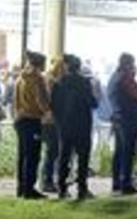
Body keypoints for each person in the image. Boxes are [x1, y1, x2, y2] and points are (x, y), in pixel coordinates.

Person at [51, 54, 98, 200]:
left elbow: (53, 105)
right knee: (83, 158)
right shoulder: (84, 82)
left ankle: (61, 188)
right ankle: (82, 188)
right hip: (82, 125)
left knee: (64, 156)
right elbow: (93, 103)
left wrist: (60, 121)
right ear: (79, 67)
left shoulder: (59, 83)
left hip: (65, 126)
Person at [13, 50, 50, 199]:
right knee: (33, 156)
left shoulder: (20, 78)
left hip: (20, 119)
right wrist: (48, 109)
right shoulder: (37, 79)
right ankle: (29, 189)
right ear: (40, 63)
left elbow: (15, 100)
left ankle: (21, 188)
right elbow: (41, 100)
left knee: (22, 155)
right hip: (33, 119)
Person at [107, 52, 137, 195]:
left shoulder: (114, 77)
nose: (134, 66)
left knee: (119, 152)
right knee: (128, 152)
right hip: (128, 119)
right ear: (128, 64)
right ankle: (126, 183)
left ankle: (117, 182)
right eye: (132, 64)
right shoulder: (125, 78)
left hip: (118, 118)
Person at [40, 56, 66, 193]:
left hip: (45, 119)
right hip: (50, 120)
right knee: (52, 150)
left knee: (51, 151)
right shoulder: (51, 81)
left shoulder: (46, 78)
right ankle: (47, 180)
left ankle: (46, 180)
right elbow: (50, 100)